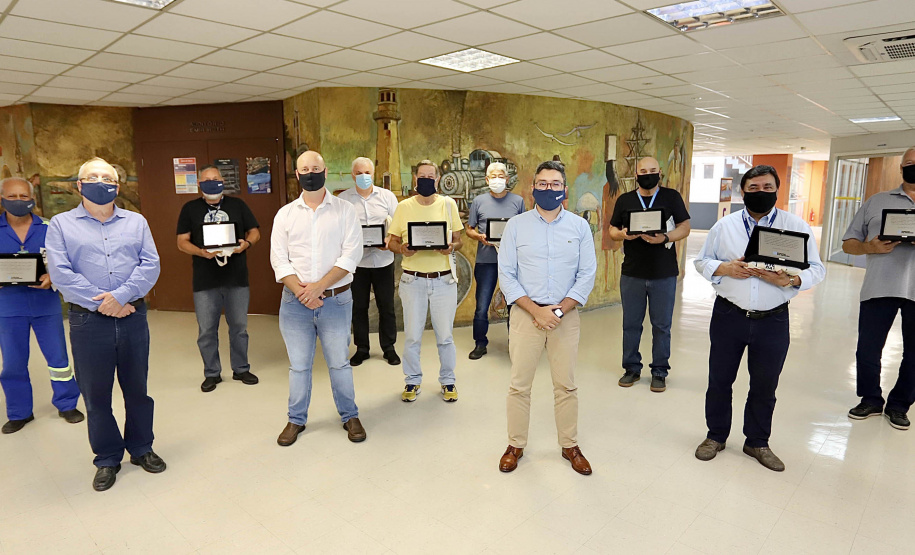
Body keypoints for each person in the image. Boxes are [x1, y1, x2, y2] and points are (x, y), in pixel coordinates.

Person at [693, 165, 825, 472]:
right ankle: (716, 436)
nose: (760, 193)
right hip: (729, 315)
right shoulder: (724, 227)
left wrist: (790, 281)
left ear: (777, 189)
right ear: (743, 191)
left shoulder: (796, 226)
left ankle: (757, 441)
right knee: (719, 380)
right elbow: (702, 261)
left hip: (773, 320)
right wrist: (724, 268)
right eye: (753, 188)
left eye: (767, 187)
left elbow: (816, 269)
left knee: (765, 384)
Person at [45, 157, 164, 492]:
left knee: (137, 390)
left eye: (107, 177)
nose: (100, 182)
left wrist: (122, 297)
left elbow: (150, 264)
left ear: (117, 185)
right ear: (79, 185)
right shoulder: (61, 225)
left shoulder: (136, 222)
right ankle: (108, 457)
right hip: (88, 321)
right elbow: (61, 274)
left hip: (132, 317)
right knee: (96, 396)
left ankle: (141, 448)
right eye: (92, 177)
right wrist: (105, 301)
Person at [497, 160, 596, 475]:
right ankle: (515, 445)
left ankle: (569, 445)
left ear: (564, 190)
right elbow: (507, 275)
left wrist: (558, 310)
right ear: (533, 188)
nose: (548, 189)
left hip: (564, 317)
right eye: (542, 183)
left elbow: (586, 275)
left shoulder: (579, 227)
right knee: (519, 385)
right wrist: (536, 310)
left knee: (565, 386)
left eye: (555, 184)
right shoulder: (517, 226)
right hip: (526, 315)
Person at [270, 150, 366, 446]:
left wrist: (318, 287)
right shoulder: (285, 214)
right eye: (304, 169)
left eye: (316, 168)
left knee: (339, 363)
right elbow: (279, 259)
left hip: (335, 301)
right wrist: (302, 291)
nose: (310, 173)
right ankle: (296, 419)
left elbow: (352, 255)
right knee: (299, 365)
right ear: (297, 175)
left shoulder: (345, 210)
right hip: (294, 304)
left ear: (325, 172)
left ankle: (349, 415)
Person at [0, 177, 83, 434]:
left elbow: (68, 262)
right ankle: (19, 412)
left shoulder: (50, 228)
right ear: (2, 198)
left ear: (33, 198)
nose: (18, 201)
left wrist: (52, 277)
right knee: (13, 362)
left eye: (24, 196)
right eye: (12, 196)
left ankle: (67, 403)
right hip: (8, 307)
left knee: (58, 358)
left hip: (45, 305)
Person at [843, 146, 915, 430]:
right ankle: (871, 399)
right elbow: (849, 242)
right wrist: (869, 246)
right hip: (878, 287)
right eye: (909, 163)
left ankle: (900, 405)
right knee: (868, 349)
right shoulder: (876, 201)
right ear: (901, 168)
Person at [609, 156, 691, 393]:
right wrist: (623, 235)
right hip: (632, 273)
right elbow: (612, 230)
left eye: (652, 170)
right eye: (643, 170)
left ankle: (659, 371)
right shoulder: (625, 200)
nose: (648, 174)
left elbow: (685, 227)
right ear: (636, 174)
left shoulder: (671, 197)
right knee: (631, 324)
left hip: (663, 273)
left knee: (662, 325)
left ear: (660, 172)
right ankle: (632, 368)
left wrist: (665, 238)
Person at [176, 165, 260, 392]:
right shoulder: (190, 208)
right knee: (206, 330)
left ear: (223, 181)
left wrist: (247, 244)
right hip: (205, 280)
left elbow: (254, 232)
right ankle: (212, 373)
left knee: (240, 327)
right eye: (207, 179)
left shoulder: (238, 205)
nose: (212, 182)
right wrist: (201, 252)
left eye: (216, 178)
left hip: (237, 277)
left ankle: (241, 368)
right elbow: (181, 241)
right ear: (199, 184)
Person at [388, 160, 463, 402]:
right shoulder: (404, 207)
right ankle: (412, 381)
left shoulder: (448, 204)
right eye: (422, 176)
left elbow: (458, 240)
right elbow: (391, 242)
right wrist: (403, 250)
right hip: (413, 281)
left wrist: (450, 247)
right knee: (412, 336)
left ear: (438, 180)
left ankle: (448, 381)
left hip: (443, 281)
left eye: (431, 176)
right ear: (416, 178)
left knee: (445, 336)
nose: (427, 179)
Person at [338, 157, 400, 367]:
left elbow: (397, 226)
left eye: (367, 173)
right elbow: (340, 230)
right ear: (352, 174)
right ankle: (362, 348)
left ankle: (389, 348)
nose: (364, 177)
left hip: (383, 260)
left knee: (387, 306)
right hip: (357, 264)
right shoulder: (344, 200)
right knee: (358, 307)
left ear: (373, 174)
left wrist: (389, 241)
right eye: (359, 173)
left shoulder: (387, 197)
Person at [465, 162, 525, 360]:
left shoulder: (518, 201)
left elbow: (524, 229)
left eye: (501, 176)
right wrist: (479, 237)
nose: (497, 179)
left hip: (512, 262)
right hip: (486, 260)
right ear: (487, 179)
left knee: (513, 305)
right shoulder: (479, 201)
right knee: (482, 304)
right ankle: (480, 343)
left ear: (507, 179)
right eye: (493, 176)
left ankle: (515, 343)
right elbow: (469, 229)